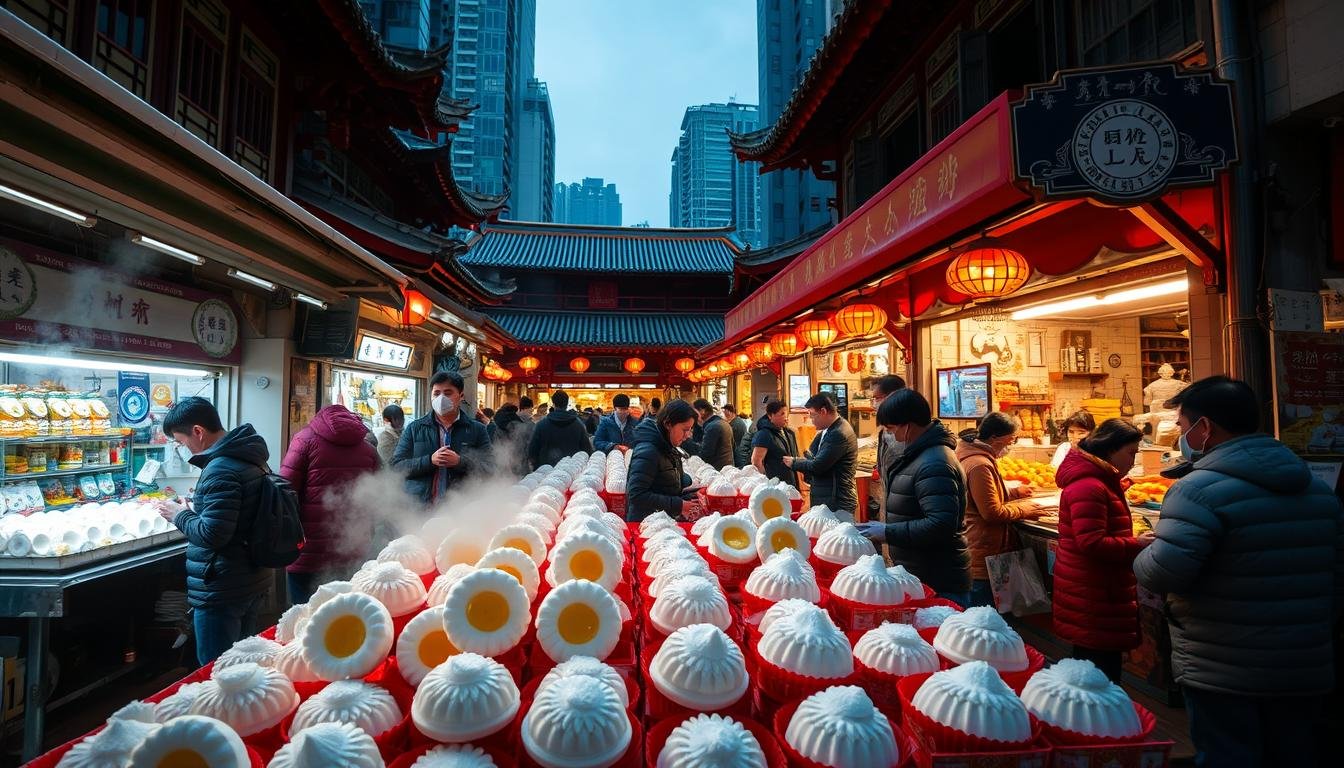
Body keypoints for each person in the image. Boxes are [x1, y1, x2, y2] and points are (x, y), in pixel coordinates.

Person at [1134, 377, 1343, 766]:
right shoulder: (1317, 489)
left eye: (1182, 427)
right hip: (1303, 661)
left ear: (1205, 428)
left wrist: (1147, 551)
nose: (1181, 435)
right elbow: (1336, 576)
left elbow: (1164, 574)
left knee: (1228, 756)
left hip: (1223, 667)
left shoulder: (1196, 490)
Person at [154, 397, 272, 665]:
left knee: (217, 670)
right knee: (244, 665)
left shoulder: (220, 469)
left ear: (198, 431)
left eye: (181, 441)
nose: (182, 448)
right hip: (249, 578)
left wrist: (179, 514)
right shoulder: (247, 456)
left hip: (223, 586)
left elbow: (214, 534)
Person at [1052, 418, 1149, 683]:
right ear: (1110, 450)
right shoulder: (1089, 485)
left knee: (1091, 670)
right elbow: (1092, 543)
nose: (1133, 460)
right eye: (1130, 453)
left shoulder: (1098, 481)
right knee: (1097, 676)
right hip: (1094, 592)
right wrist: (1138, 544)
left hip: (1094, 591)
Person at [857, 389, 970, 605]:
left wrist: (888, 532)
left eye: (890, 429)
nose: (889, 436)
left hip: (939, 579)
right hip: (920, 572)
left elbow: (941, 525)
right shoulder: (916, 455)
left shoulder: (935, 463)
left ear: (907, 427)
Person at [279, 404, 380, 605]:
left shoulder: (304, 440)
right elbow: (378, 496)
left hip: (308, 550)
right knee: (344, 611)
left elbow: (285, 491)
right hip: (352, 548)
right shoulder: (368, 450)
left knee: (303, 617)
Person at [957, 412, 1042, 607]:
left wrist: (1013, 493)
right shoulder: (979, 464)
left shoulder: (971, 455)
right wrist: (1024, 510)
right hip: (983, 550)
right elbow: (991, 512)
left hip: (976, 545)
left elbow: (979, 496)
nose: (1009, 447)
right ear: (995, 438)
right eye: (1010, 441)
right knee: (984, 613)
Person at [391, 371, 493, 505]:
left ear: (461, 396)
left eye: (448, 393)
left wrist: (460, 462)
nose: (441, 398)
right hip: (419, 509)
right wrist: (429, 461)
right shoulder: (415, 428)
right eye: (436, 393)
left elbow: (490, 468)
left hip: (462, 508)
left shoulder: (477, 429)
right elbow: (396, 466)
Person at [785, 392, 858, 516]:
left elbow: (818, 466)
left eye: (813, 415)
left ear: (823, 411)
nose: (811, 420)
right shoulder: (828, 430)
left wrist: (795, 462)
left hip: (836, 500)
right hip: (827, 496)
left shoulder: (839, 433)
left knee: (833, 535)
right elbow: (814, 456)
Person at [626, 399, 700, 521]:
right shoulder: (648, 451)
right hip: (647, 523)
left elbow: (664, 482)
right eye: (685, 429)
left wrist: (690, 490)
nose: (688, 435)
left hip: (663, 520)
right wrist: (678, 505)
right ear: (667, 424)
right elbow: (637, 495)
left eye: (690, 430)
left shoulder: (668, 447)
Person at [869, 375, 907, 518]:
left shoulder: (906, 436)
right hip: (890, 514)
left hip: (906, 520)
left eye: (877, 398)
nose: (873, 404)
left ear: (893, 396)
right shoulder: (884, 431)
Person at [528, 390, 593, 470]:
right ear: (567, 404)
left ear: (553, 404)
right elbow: (587, 449)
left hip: (546, 472)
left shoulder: (541, 424)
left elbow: (532, 450)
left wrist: (536, 466)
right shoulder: (578, 424)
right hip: (571, 471)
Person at [750, 400, 800, 486]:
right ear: (770, 416)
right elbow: (756, 462)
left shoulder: (789, 432)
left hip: (791, 481)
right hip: (775, 484)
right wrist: (766, 482)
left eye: (786, 413)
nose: (786, 417)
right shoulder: (764, 434)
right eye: (782, 414)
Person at [692, 399, 735, 469]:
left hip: (717, 470)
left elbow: (705, 455)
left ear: (702, 411)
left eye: (694, 412)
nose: (693, 416)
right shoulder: (723, 423)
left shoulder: (712, 427)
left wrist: (689, 443)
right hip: (726, 468)